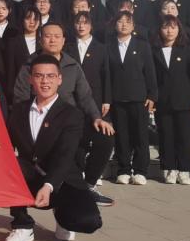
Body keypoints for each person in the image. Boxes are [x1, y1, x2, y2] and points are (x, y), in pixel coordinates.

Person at [5, 54, 102, 241]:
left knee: (88, 221)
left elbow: (65, 155)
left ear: (59, 79)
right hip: (30, 175)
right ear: (30, 79)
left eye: (50, 76)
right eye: (39, 76)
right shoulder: (18, 111)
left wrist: (49, 185)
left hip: (62, 179)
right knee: (11, 165)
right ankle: (22, 224)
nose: (45, 81)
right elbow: (5, 146)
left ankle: (62, 215)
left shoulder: (72, 114)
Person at [14, 22, 116, 204]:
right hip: (42, 124)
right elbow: (20, 99)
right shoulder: (30, 65)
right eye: (47, 36)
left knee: (104, 136)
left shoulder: (72, 65)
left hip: (70, 122)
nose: (52, 40)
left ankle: (89, 185)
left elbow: (85, 96)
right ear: (40, 40)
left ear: (63, 40)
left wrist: (96, 117)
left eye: (57, 36)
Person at [107, 11, 157, 185]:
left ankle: (141, 170)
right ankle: (124, 169)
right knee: (122, 136)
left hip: (139, 97)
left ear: (133, 26)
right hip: (117, 98)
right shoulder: (109, 45)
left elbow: (150, 71)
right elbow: (107, 74)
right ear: (115, 25)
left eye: (127, 22)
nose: (123, 25)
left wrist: (152, 95)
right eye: (120, 21)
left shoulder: (142, 45)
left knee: (140, 135)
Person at [152, 16, 190, 185]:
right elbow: (151, 77)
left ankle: (184, 169)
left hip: (183, 100)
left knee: (183, 136)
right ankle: (169, 169)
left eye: (173, 27)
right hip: (162, 101)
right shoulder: (154, 50)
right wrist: (152, 98)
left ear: (179, 30)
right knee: (166, 136)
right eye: (166, 27)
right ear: (160, 30)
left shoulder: (186, 50)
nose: (169, 31)